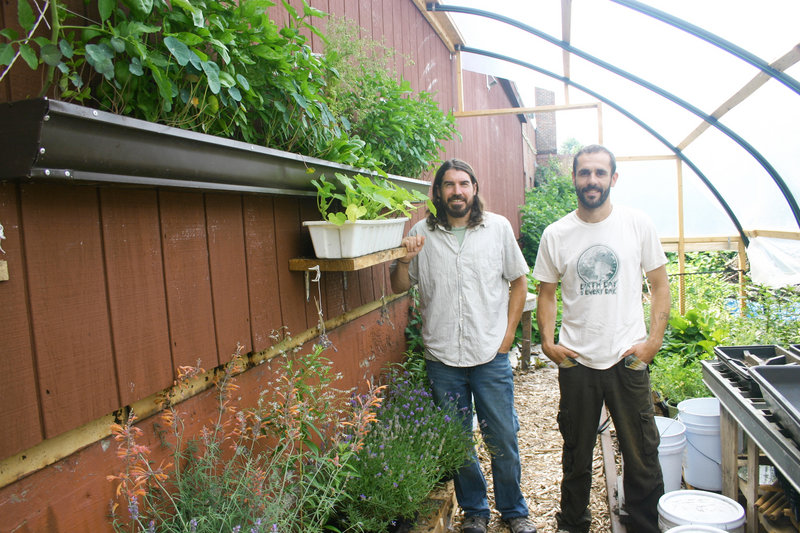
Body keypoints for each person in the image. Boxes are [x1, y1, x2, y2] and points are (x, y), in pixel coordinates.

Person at [390, 159, 537, 533]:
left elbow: (519, 282)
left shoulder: (497, 228)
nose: (457, 191)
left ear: (474, 188)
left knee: (501, 435)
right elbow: (399, 286)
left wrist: (506, 339)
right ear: (437, 192)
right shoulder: (420, 233)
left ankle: (515, 511)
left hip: (490, 353)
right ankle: (475, 511)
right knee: (456, 441)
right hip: (442, 357)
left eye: (464, 184)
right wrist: (404, 260)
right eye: (449, 184)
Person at [532, 144, 671, 533]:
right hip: (577, 361)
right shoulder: (556, 233)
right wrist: (548, 343)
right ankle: (572, 524)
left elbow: (660, 285)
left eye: (599, 172)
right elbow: (546, 292)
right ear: (574, 177)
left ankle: (643, 525)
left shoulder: (636, 223)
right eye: (584, 173)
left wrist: (652, 343)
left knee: (641, 452)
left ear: (613, 178)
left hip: (627, 358)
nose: (591, 180)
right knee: (576, 452)